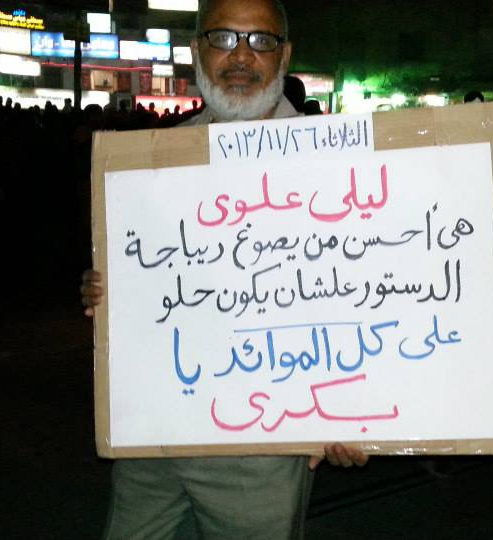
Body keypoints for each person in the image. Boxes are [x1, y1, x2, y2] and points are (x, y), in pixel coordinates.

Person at [81, 2, 366, 539]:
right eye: (224, 38)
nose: (241, 56)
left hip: (260, 448)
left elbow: (375, 298)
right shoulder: (155, 157)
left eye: (260, 41)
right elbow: (145, 268)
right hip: (152, 428)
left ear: (285, 55)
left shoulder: (341, 164)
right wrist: (105, 287)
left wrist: (359, 413)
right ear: (196, 50)